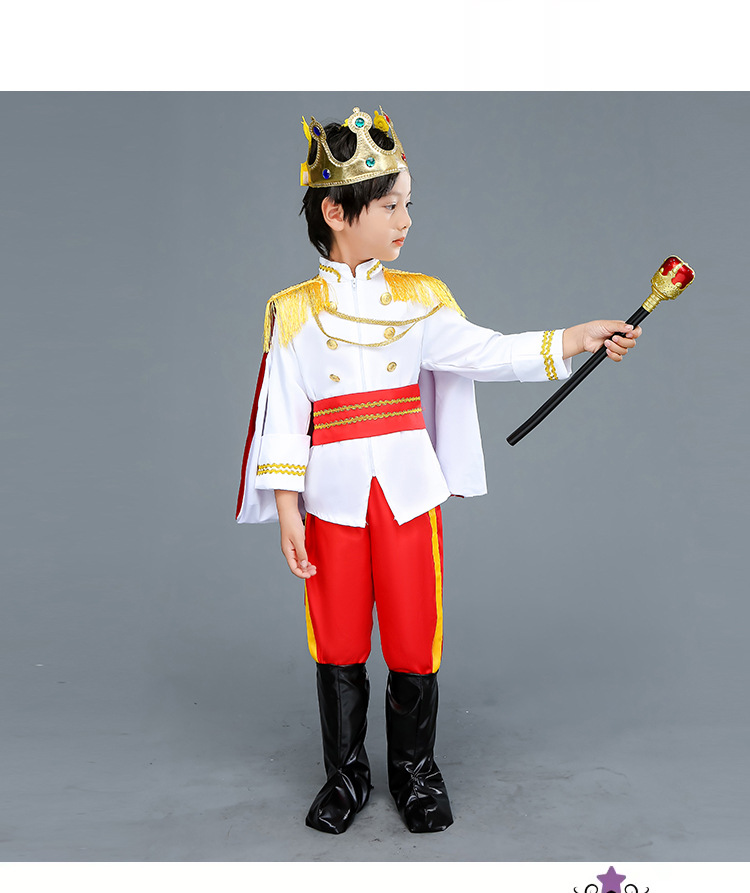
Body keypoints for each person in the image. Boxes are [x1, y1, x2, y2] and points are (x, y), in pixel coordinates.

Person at [235, 107, 641, 835]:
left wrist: (575, 337)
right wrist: (287, 511)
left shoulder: (421, 299)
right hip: (330, 499)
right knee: (338, 638)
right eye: (390, 206)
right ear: (336, 212)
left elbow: (488, 352)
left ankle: (415, 771)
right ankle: (346, 774)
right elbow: (284, 417)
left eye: (407, 204)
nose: (406, 220)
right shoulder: (293, 313)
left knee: (414, 632)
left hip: (407, 491)